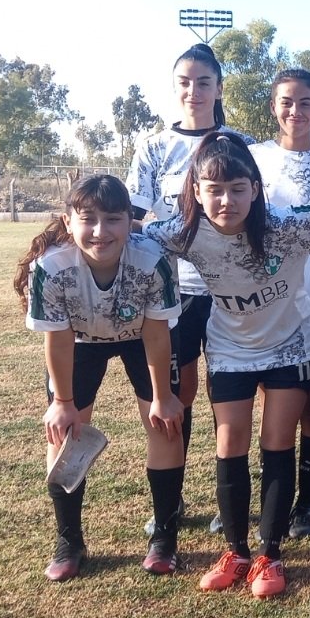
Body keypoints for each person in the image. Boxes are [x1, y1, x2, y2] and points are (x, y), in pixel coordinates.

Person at [145, 131, 310, 599]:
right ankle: (236, 551)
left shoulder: (286, 225)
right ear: (196, 191)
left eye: (238, 189)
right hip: (231, 348)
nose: (227, 201)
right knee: (229, 441)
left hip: (289, 345)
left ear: (256, 189)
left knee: (277, 441)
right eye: (215, 190)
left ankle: (270, 554)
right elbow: (127, 234)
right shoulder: (183, 231)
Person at [16, 175, 184, 580]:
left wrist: (163, 396)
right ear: (68, 221)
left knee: (164, 426)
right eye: (88, 219)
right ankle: (69, 541)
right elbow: (58, 339)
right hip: (79, 340)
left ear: (130, 221)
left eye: (112, 219)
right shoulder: (51, 266)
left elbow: (156, 333)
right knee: (65, 433)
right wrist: (62, 403)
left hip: (141, 336)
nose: (99, 231)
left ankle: (164, 538)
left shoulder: (151, 260)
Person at [127, 42, 252, 536]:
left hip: (227, 291)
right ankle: (172, 498)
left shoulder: (239, 144)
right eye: (185, 82)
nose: (194, 91)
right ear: (174, 87)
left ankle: (229, 500)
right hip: (172, 294)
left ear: (219, 88)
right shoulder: (154, 146)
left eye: (204, 82)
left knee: (229, 394)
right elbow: (134, 218)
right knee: (178, 393)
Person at [250, 69, 310, 539]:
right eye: (286, 101)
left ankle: (305, 505)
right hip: (267, 305)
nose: (296, 111)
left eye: (305, 102)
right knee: (272, 414)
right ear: (274, 106)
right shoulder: (253, 159)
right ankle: (270, 502)